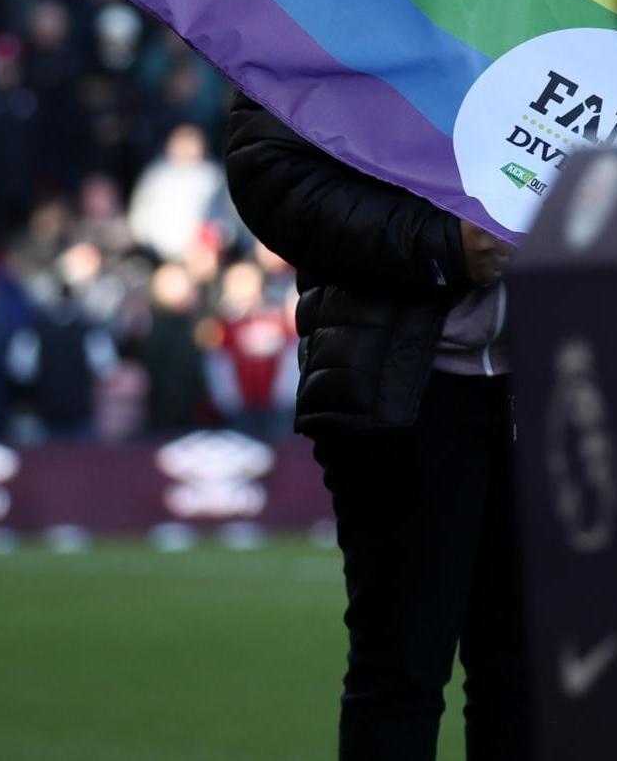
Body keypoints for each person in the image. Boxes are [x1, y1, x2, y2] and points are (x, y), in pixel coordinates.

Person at [226, 94, 525, 760]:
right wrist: (440, 244)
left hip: (561, 388)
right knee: (402, 675)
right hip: (404, 386)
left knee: (532, 682)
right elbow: (271, 172)